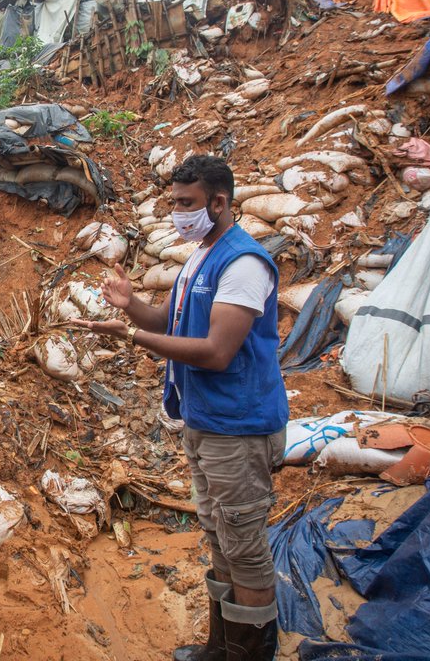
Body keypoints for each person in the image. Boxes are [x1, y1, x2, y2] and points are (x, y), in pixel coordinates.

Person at [71, 155, 287, 661]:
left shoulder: (243, 264)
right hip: (205, 420)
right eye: (172, 204)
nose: (177, 214)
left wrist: (131, 335)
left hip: (238, 427)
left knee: (245, 547)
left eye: (186, 205)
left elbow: (215, 352)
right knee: (219, 532)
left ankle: (250, 654)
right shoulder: (198, 256)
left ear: (220, 202)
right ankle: (221, 647)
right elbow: (167, 322)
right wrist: (130, 307)